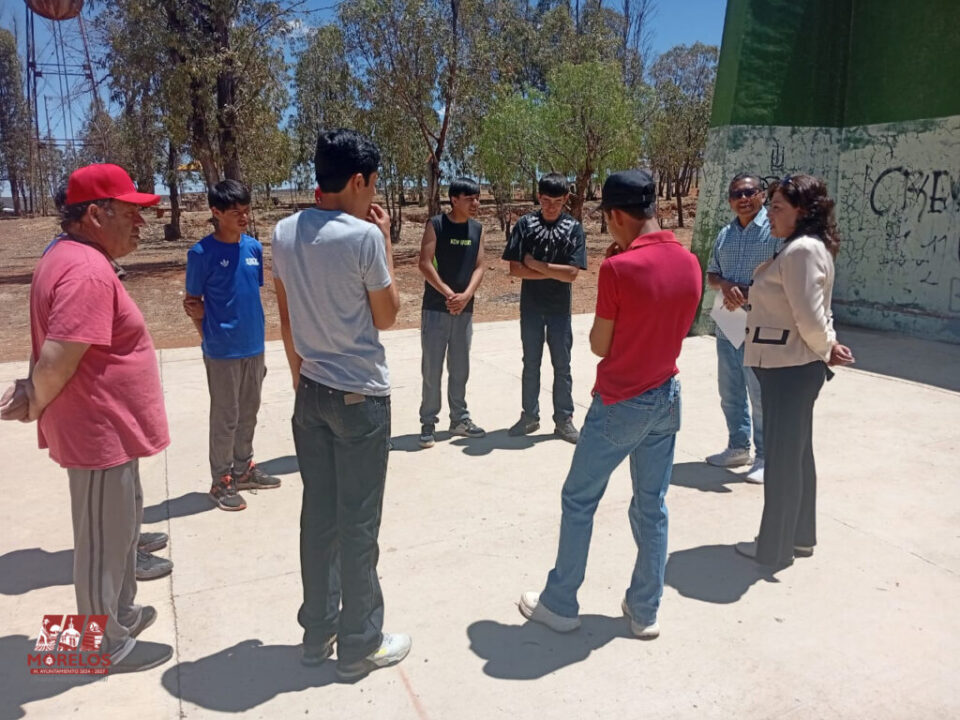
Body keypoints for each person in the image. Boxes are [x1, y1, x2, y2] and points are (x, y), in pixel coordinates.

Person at [0, 163, 173, 672]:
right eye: (130, 212)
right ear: (95, 215)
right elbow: (58, 358)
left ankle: (121, 615)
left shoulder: (71, 256)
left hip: (110, 431)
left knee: (119, 534)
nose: (141, 223)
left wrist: (33, 392)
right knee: (100, 544)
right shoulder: (86, 271)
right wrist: (33, 400)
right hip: (98, 433)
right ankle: (99, 647)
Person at [518, 170, 702, 640]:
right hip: (667, 394)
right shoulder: (689, 262)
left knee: (579, 499)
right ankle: (645, 609)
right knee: (651, 506)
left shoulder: (618, 269)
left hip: (621, 399)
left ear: (617, 215)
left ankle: (561, 602)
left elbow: (600, 345)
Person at [272, 128, 411, 680]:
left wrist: (300, 380)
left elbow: (286, 318)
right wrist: (387, 244)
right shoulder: (364, 237)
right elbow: (387, 316)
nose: (371, 193)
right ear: (357, 181)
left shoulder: (283, 232)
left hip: (311, 391)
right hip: (360, 397)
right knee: (358, 525)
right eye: (371, 183)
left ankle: (318, 631)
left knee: (319, 519)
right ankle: (359, 643)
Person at [735, 174, 855, 568]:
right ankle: (800, 538)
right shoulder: (801, 248)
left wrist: (826, 348)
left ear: (802, 211)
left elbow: (811, 316)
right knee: (797, 455)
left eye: (777, 207)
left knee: (783, 461)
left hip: (790, 366)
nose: (769, 213)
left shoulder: (802, 250)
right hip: (791, 365)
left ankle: (774, 548)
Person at [183, 180, 281, 512]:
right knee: (226, 417)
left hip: (254, 346)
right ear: (216, 212)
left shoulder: (253, 248)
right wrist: (207, 337)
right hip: (222, 350)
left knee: (249, 411)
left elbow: (249, 293)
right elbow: (193, 303)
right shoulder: (201, 254)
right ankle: (221, 480)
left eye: (246, 210)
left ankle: (243, 469)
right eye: (236, 212)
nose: (244, 217)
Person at [501, 173, 587, 444]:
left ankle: (564, 420)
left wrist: (535, 265)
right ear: (538, 197)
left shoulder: (573, 228)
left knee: (562, 364)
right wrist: (554, 272)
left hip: (560, 309)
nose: (551, 206)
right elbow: (515, 269)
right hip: (531, 308)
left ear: (566, 200)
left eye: (558, 202)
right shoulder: (525, 225)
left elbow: (572, 274)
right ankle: (529, 416)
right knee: (531, 363)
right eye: (547, 200)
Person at [705, 173, 779, 483]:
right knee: (730, 391)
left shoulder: (775, 232)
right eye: (737, 194)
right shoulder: (725, 234)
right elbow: (712, 274)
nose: (743, 198)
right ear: (729, 201)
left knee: (760, 395)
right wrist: (725, 285)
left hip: (762, 325)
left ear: (762, 195)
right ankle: (738, 447)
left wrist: (749, 292)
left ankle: (765, 456)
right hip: (728, 325)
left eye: (750, 192)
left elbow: (786, 276)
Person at [416, 177, 487, 448]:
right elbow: (424, 263)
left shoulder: (477, 229)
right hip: (437, 308)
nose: (475, 203)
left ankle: (459, 419)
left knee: (460, 368)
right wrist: (448, 293)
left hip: (464, 310)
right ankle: (428, 422)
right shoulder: (436, 225)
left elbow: (480, 266)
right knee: (432, 368)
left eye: (477, 198)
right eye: (469, 199)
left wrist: (466, 295)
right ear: (454, 200)